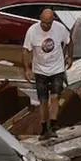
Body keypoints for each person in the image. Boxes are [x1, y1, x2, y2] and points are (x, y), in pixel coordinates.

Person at [23, 9, 73, 139]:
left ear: (53, 21)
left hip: (57, 69)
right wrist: (27, 69)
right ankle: (44, 128)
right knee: (43, 101)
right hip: (40, 70)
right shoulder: (32, 31)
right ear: (40, 19)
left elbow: (69, 41)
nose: (46, 26)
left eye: (49, 23)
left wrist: (69, 56)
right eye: (44, 23)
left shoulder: (60, 29)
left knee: (55, 97)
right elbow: (26, 50)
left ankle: (53, 125)